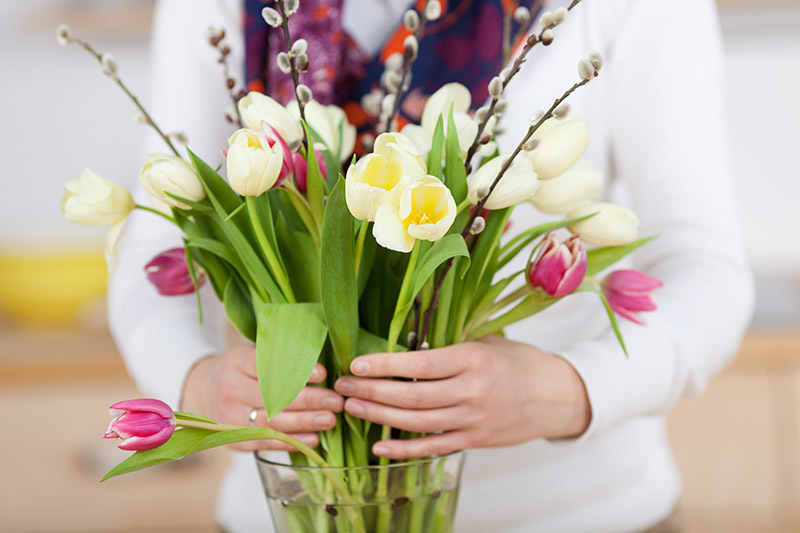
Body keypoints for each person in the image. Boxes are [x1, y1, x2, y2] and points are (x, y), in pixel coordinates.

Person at [108, 0, 754, 531]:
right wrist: (194, 385)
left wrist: (570, 388)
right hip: (290, 511)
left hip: (581, 514)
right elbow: (156, 241)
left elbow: (704, 263)